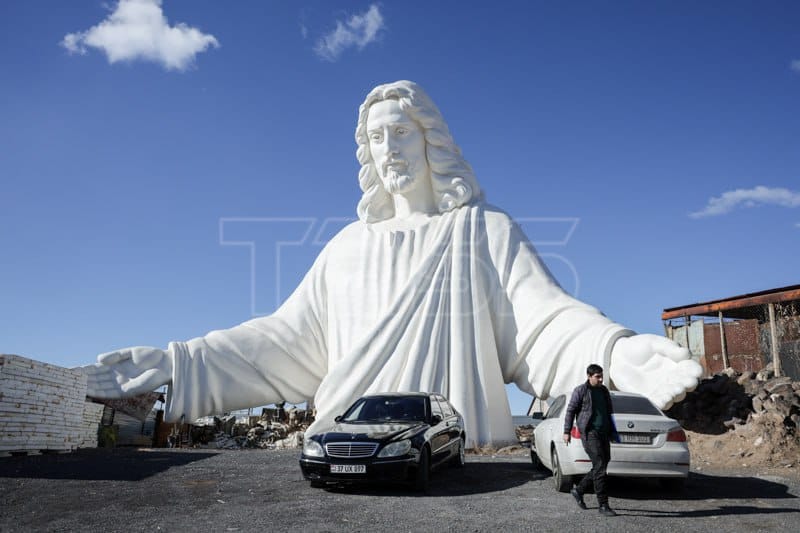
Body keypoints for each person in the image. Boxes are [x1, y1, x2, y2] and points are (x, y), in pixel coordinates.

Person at [82, 80, 702, 448]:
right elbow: (281, 344)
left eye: (401, 133)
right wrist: (176, 361)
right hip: (342, 447)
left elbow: (543, 327)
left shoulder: (482, 230)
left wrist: (617, 355)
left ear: (431, 139)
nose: (389, 149)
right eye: (377, 138)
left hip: (456, 457)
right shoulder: (347, 246)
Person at [563, 364, 617, 516]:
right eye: (597, 377)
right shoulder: (581, 390)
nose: (600, 379)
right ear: (589, 376)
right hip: (589, 433)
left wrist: (613, 431)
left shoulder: (604, 390)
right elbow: (571, 410)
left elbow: (609, 411)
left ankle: (578, 490)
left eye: (601, 376)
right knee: (599, 465)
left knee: (603, 463)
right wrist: (566, 431)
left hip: (604, 432)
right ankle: (603, 505)